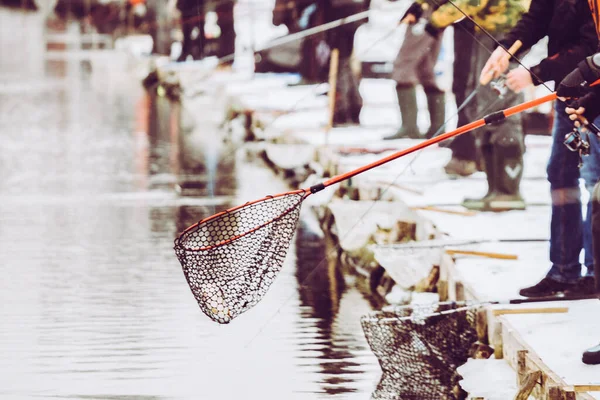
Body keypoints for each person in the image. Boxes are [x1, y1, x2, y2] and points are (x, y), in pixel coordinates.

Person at [481, 0, 600, 296]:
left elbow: (591, 47)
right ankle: (564, 272)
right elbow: (537, 17)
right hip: (567, 93)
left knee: (593, 180)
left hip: (594, 91)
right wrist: (506, 48)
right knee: (560, 174)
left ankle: (594, 275)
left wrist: (536, 73)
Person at [383, 0, 447, 140]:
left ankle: (410, 127)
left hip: (429, 11)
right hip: (439, 10)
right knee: (425, 68)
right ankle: (437, 128)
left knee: (403, 66)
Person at [323, 0, 371, 126]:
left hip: (341, 14)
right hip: (354, 11)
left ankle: (343, 113)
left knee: (341, 65)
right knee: (346, 65)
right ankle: (353, 110)